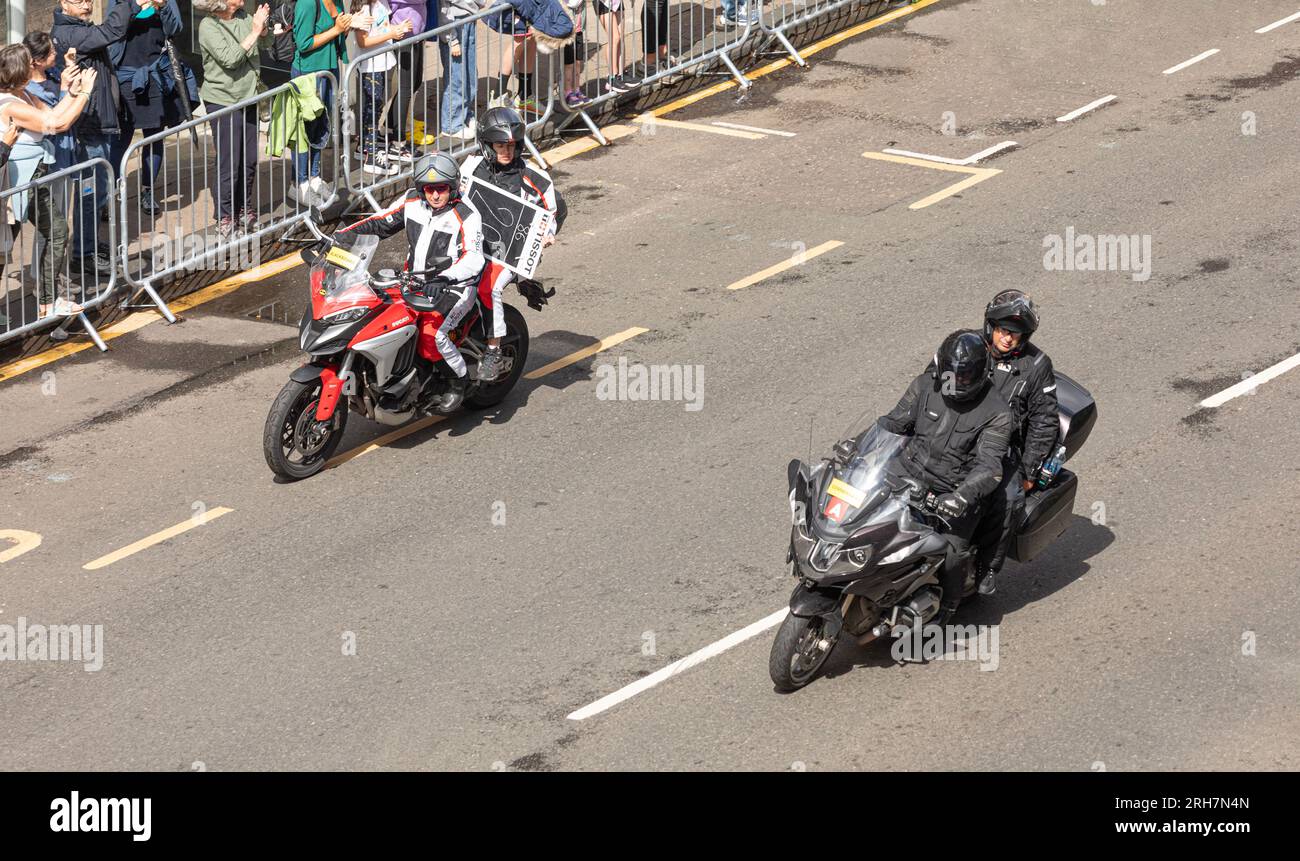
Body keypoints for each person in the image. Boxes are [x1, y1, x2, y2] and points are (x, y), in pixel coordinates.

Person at [877, 330, 1012, 625]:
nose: (956, 381)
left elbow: (989, 467)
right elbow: (893, 423)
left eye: (964, 376)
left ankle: (947, 610)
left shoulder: (998, 413)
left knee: (952, 552)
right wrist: (857, 447)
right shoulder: (925, 385)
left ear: (980, 374)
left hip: (950, 493)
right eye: (950, 373)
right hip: (905, 472)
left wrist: (960, 497)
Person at [337, 153, 484, 411]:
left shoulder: (467, 216)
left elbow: (474, 258)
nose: (435, 195)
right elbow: (380, 223)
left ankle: (458, 382)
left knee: (432, 337)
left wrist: (445, 277)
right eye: (429, 189)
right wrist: (340, 237)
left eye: (441, 189)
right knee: (373, 316)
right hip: (412, 282)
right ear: (421, 188)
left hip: (454, 287)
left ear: (452, 187)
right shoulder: (412, 201)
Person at [459, 106, 565, 381]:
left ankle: (493, 351)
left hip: (509, 254)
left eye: (512, 145)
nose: (506, 151)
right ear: (486, 145)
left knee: (488, 287)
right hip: (470, 244)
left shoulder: (534, 177)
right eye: (499, 145)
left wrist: (548, 234)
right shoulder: (469, 168)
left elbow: (554, 210)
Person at [0, 43, 97, 322]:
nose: (34, 65)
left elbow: (53, 112)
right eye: (29, 62)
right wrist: (86, 93)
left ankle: (46, 301)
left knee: (15, 242)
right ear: (20, 70)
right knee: (54, 233)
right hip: (19, 180)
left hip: (32, 177)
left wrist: (72, 91)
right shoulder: (10, 103)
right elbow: (57, 124)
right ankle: (47, 302)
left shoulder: (23, 95)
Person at [970, 290, 1059, 595]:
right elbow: (931, 384)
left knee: (1008, 499)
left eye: (1016, 335)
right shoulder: (967, 347)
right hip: (955, 435)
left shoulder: (1036, 366)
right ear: (990, 326)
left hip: (1001, 450)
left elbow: (1044, 421)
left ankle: (987, 567)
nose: (1008, 339)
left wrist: (1028, 473)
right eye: (1004, 330)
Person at [52, 0, 140, 271]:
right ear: (64, 3)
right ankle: (83, 253)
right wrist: (135, 3)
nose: (87, 4)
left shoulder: (80, 28)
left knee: (99, 189)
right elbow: (109, 32)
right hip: (88, 125)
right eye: (80, 0)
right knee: (91, 191)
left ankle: (87, 242)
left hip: (99, 120)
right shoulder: (70, 34)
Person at [107, 0, 194, 218]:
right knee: (120, 139)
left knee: (154, 138)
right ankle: (109, 194)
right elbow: (113, 29)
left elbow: (175, 29)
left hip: (155, 77)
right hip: (125, 77)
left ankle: (147, 190)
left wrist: (162, 6)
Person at [196, 0, 272, 237]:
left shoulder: (243, 16)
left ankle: (243, 208)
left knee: (248, 160)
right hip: (222, 100)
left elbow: (267, 43)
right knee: (230, 162)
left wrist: (264, 29)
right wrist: (255, 31)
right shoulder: (208, 26)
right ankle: (225, 215)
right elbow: (230, 59)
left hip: (248, 96)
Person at [292, 0, 352, 207]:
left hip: (329, 70)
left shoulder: (336, 2)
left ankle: (315, 178)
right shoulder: (307, 3)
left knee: (321, 126)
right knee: (304, 130)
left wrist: (347, 27)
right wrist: (336, 29)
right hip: (309, 74)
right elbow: (303, 43)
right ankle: (299, 183)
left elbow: (340, 37)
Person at [351, 0, 411, 175]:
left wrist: (396, 29)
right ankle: (372, 159)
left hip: (383, 62)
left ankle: (363, 148)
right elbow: (363, 42)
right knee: (372, 112)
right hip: (371, 66)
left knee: (375, 109)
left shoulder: (381, 3)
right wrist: (391, 33)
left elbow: (382, 28)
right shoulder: (364, 8)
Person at [22, 33, 78, 172]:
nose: (56, 53)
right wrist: (64, 87)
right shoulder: (28, 91)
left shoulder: (53, 72)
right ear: (39, 60)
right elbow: (54, 119)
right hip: (51, 155)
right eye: (52, 51)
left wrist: (70, 66)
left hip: (69, 144)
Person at [438, 0, 479, 138]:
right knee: (456, 78)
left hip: (469, 19)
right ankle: (452, 125)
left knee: (470, 75)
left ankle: (466, 113)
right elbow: (443, 11)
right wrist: (452, 39)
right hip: (454, 25)